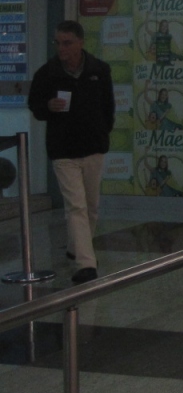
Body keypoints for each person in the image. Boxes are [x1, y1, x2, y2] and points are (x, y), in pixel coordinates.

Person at [27, 20, 116, 284]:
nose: (61, 48)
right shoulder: (47, 73)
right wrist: (48, 106)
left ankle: (75, 246)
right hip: (63, 149)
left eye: (67, 43)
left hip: (93, 147)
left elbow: (108, 107)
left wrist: (102, 133)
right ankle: (85, 263)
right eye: (58, 43)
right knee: (76, 206)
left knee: (91, 206)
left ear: (80, 43)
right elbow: (35, 105)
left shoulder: (99, 70)